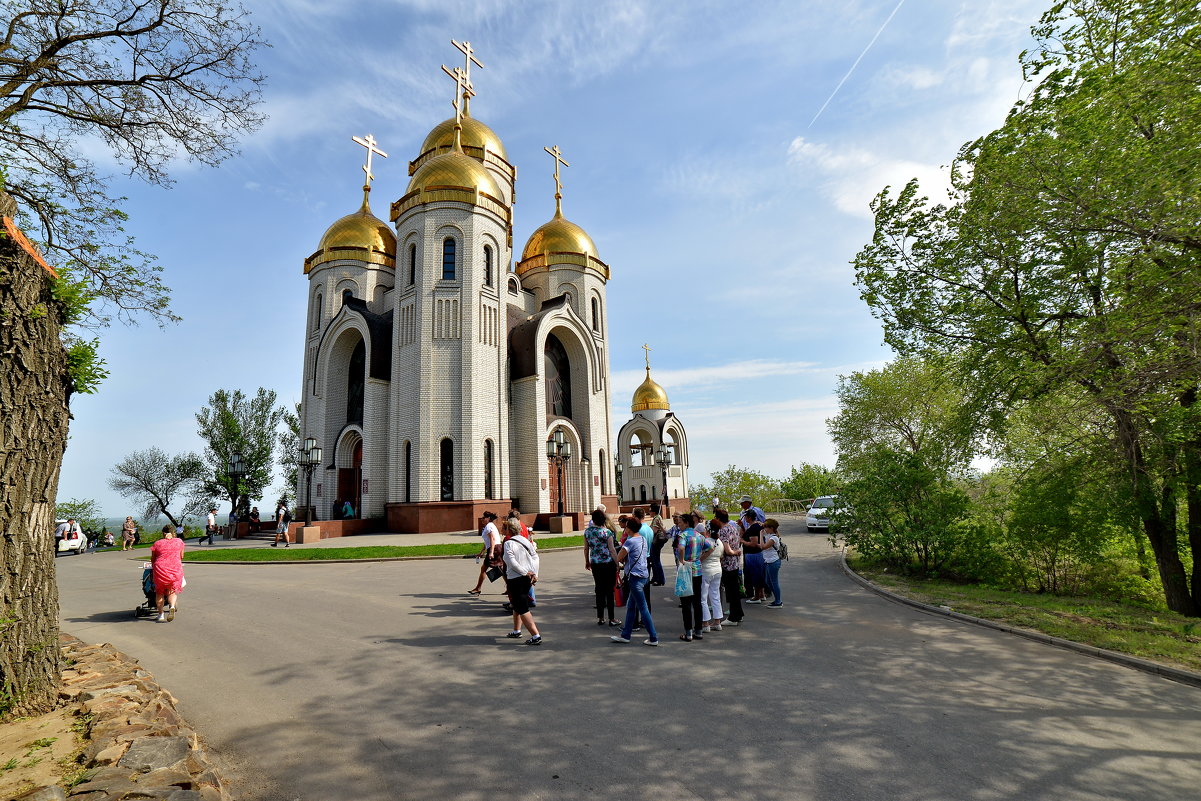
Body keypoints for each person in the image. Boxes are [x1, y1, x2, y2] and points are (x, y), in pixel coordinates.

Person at [610, 516, 659, 646]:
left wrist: (620, 561)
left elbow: (619, 557)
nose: (624, 529)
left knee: (643, 608)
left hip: (634, 577)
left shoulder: (630, 542)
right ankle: (626, 635)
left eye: (626, 526)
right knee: (631, 606)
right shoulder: (642, 539)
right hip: (644, 575)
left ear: (629, 528)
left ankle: (653, 637)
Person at [502, 520, 542, 645]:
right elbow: (535, 557)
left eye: (503, 528)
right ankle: (516, 630)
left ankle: (536, 636)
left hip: (516, 579)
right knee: (516, 603)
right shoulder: (525, 540)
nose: (502, 530)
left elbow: (511, 562)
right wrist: (534, 573)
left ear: (509, 530)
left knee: (522, 607)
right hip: (526, 578)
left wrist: (526, 572)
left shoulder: (508, 543)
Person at [675, 513, 713, 641]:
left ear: (686, 523)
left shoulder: (683, 535)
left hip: (686, 570)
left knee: (686, 602)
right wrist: (699, 559)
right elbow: (711, 547)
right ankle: (698, 631)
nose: (678, 524)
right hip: (697, 570)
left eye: (680, 522)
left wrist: (682, 561)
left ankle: (688, 632)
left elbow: (680, 548)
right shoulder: (698, 535)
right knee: (697, 602)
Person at [583, 509, 618, 626]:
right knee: (609, 590)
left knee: (599, 589)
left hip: (595, 563)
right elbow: (612, 550)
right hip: (608, 563)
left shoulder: (588, 532)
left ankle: (600, 617)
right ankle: (612, 618)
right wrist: (617, 563)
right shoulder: (607, 532)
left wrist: (587, 561)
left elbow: (586, 548)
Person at [715, 509, 745, 626]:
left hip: (727, 564)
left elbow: (727, 550)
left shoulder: (722, 530)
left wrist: (734, 552)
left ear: (718, 519)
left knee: (731, 591)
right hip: (735, 564)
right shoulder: (733, 528)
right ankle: (738, 614)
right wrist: (737, 552)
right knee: (735, 590)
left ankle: (733, 617)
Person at [150, 524, 185, 623]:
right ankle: (172, 606)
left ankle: (160, 614)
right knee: (172, 590)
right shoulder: (179, 542)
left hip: (160, 569)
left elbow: (153, 558)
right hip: (175, 568)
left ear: (163, 533)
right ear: (173, 532)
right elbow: (181, 556)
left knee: (159, 592)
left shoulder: (157, 543)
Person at [699, 519, 728, 632]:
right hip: (717, 570)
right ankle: (717, 622)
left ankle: (705, 623)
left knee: (703, 597)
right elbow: (721, 556)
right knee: (715, 596)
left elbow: (701, 556)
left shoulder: (706, 542)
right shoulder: (719, 542)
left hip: (706, 570)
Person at [469, 511, 501, 594]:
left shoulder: (489, 526)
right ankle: (509, 588)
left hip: (495, 548)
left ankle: (478, 588)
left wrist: (491, 552)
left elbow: (492, 539)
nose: (482, 519)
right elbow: (487, 541)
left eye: (484, 518)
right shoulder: (489, 526)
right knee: (501, 568)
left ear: (488, 518)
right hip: (495, 548)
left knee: (483, 569)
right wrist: (481, 552)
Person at [740, 517, 767, 603]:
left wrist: (743, 541)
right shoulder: (758, 526)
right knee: (760, 574)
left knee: (755, 575)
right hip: (759, 553)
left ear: (748, 518)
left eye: (745, 517)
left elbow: (753, 543)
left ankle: (756, 596)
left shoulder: (753, 528)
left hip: (752, 554)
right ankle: (762, 594)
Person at [762, 518, 783, 608]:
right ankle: (777, 600)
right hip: (769, 561)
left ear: (771, 528)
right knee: (768, 581)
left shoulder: (773, 538)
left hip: (773, 562)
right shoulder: (770, 535)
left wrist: (760, 534)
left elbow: (763, 546)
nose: (765, 529)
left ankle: (778, 601)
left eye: (766, 527)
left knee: (774, 582)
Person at [647, 501, 668, 585]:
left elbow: (654, 531)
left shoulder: (656, 519)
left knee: (656, 561)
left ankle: (660, 579)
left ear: (653, 511)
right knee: (653, 560)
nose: (649, 512)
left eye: (650, 510)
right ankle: (655, 577)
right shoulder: (656, 517)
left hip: (656, 541)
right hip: (656, 541)